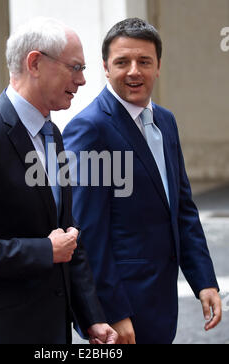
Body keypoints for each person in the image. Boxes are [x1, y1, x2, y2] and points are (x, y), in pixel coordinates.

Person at [0, 17, 117, 345]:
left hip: (49, 328)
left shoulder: (54, 135)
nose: (81, 80)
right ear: (35, 63)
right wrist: (44, 250)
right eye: (75, 67)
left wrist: (92, 318)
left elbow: (68, 236)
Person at [63, 18, 222, 344]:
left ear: (158, 66)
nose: (134, 71)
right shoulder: (90, 130)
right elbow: (88, 234)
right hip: (123, 309)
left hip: (160, 301)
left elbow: (182, 209)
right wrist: (112, 312)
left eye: (144, 62)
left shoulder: (165, 121)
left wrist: (204, 279)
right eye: (122, 62)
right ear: (106, 67)